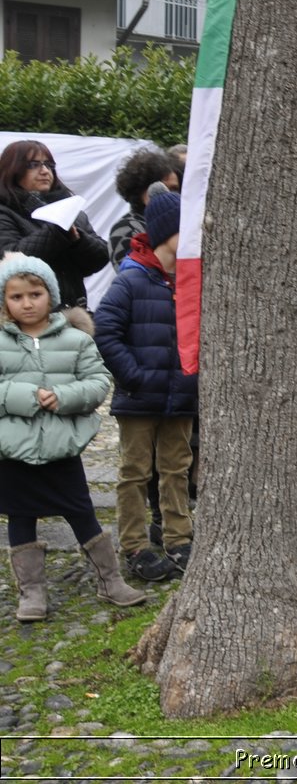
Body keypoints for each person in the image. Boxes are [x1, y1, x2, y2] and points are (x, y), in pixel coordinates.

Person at [0, 255, 145, 619]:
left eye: (35, 294)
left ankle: (109, 579)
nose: (27, 303)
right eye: (16, 297)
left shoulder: (76, 340)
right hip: (12, 449)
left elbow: (98, 382)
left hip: (62, 447)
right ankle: (31, 593)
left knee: (81, 511)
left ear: (50, 294)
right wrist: (24, 397)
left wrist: (63, 398)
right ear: (4, 301)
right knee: (20, 516)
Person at [93, 192, 196, 581]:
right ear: (167, 231)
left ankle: (178, 538)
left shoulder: (190, 279)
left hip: (181, 395)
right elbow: (105, 329)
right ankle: (134, 544)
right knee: (135, 471)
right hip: (139, 396)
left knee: (176, 469)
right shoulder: (133, 277)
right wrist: (132, 375)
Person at [0, 141, 109, 309]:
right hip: (24, 320)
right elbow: (10, 259)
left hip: (73, 315)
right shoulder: (5, 211)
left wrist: (78, 240)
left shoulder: (71, 210)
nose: (44, 171)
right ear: (13, 170)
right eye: (33, 165)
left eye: (49, 165)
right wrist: (58, 230)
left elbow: (100, 258)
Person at [108, 148, 182, 264]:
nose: (167, 193)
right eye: (159, 187)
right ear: (141, 189)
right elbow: (132, 275)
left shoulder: (184, 223)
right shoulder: (125, 229)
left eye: (174, 189)